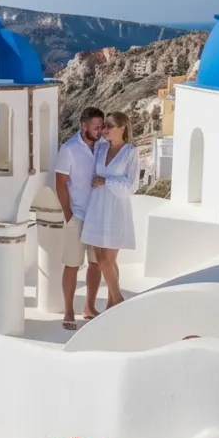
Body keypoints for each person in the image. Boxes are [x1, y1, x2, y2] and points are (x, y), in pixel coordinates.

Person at [54, 106, 107, 331]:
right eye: (95, 127)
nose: (99, 130)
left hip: (98, 216)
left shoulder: (104, 147)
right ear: (83, 125)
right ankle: (68, 310)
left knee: (96, 263)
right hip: (77, 214)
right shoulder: (69, 149)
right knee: (72, 265)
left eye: (101, 126)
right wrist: (68, 214)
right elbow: (60, 182)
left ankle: (89, 307)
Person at [81, 110, 139, 313]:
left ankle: (119, 301)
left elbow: (132, 185)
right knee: (102, 260)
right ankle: (110, 306)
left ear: (122, 128)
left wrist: (106, 181)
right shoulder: (100, 147)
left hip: (116, 209)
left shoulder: (131, 152)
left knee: (107, 261)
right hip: (97, 207)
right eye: (104, 125)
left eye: (110, 126)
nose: (105, 129)